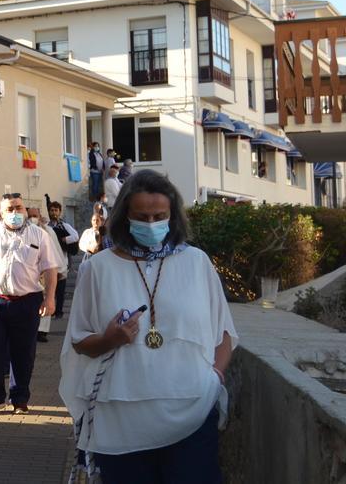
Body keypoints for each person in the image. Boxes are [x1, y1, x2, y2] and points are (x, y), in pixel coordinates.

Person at [60, 170, 236, 483]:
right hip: (120, 420)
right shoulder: (98, 269)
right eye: (142, 216)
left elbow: (223, 332)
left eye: (160, 216)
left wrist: (215, 377)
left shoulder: (197, 262)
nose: (152, 223)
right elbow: (79, 341)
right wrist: (109, 339)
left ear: (173, 216)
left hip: (192, 414)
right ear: (125, 216)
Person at [0, 193, 66, 414]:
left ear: (25, 210)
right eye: (9, 209)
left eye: (18, 208)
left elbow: (50, 269)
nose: (14, 213)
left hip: (27, 301)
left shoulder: (39, 235)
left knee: (24, 351)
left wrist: (50, 298)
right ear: (1, 212)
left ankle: (19, 398)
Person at [27, 207, 64, 345]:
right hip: (30, 273)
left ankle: (42, 331)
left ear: (40, 216)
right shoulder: (25, 232)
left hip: (45, 271)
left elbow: (55, 251)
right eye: (30, 215)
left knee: (47, 297)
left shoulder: (47, 232)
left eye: (34, 215)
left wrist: (59, 270)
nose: (32, 218)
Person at [45, 198, 80, 320]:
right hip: (49, 262)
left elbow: (75, 236)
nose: (53, 212)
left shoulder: (64, 225)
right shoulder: (46, 226)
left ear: (60, 212)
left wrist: (65, 239)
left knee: (60, 289)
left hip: (62, 261)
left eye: (56, 210)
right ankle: (51, 309)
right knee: (49, 289)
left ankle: (59, 311)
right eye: (51, 210)